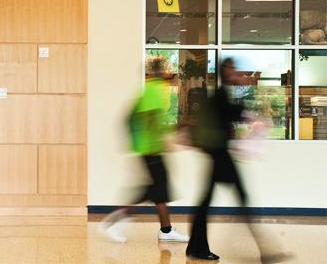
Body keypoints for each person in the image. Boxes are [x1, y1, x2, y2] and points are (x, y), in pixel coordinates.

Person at [186, 59, 291, 262]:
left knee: (206, 203)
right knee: (239, 200)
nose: (234, 72)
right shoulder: (219, 96)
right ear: (223, 71)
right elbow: (231, 112)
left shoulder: (222, 94)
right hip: (219, 156)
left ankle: (196, 247)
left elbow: (231, 113)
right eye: (231, 69)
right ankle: (266, 251)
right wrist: (249, 111)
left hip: (218, 155)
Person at [101, 58, 189, 243]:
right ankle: (113, 223)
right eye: (165, 69)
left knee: (159, 191)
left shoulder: (146, 90)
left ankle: (166, 230)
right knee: (153, 191)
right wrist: (165, 139)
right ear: (160, 71)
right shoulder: (154, 89)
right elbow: (152, 119)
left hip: (147, 148)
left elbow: (129, 117)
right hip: (152, 150)